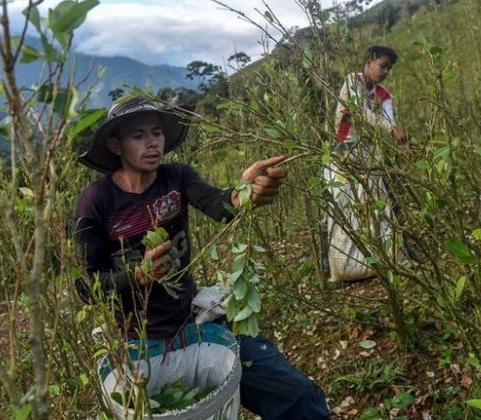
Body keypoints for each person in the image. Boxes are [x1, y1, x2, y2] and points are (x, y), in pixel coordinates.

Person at [74, 96, 330, 419]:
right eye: (138, 136)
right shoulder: (96, 201)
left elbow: (216, 202)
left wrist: (243, 194)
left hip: (195, 322)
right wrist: (138, 276)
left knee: (297, 394)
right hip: (138, 346)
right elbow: (87, 286)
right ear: (116, 145)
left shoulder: (176, 177)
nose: (152, 143)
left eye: (156, 133)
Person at [324, 45, 410, 281]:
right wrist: (391, 129)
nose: (386, 72)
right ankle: (342, 269)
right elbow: (361, 113)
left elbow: (390, 119)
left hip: (367, 155)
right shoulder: (353, 81)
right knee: (343, 207)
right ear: (369, 62)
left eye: (389, 68)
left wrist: (401, 140)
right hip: (343, 154)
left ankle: (387, 259)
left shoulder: (384, 95)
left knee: (377, 205)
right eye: (383, 66)